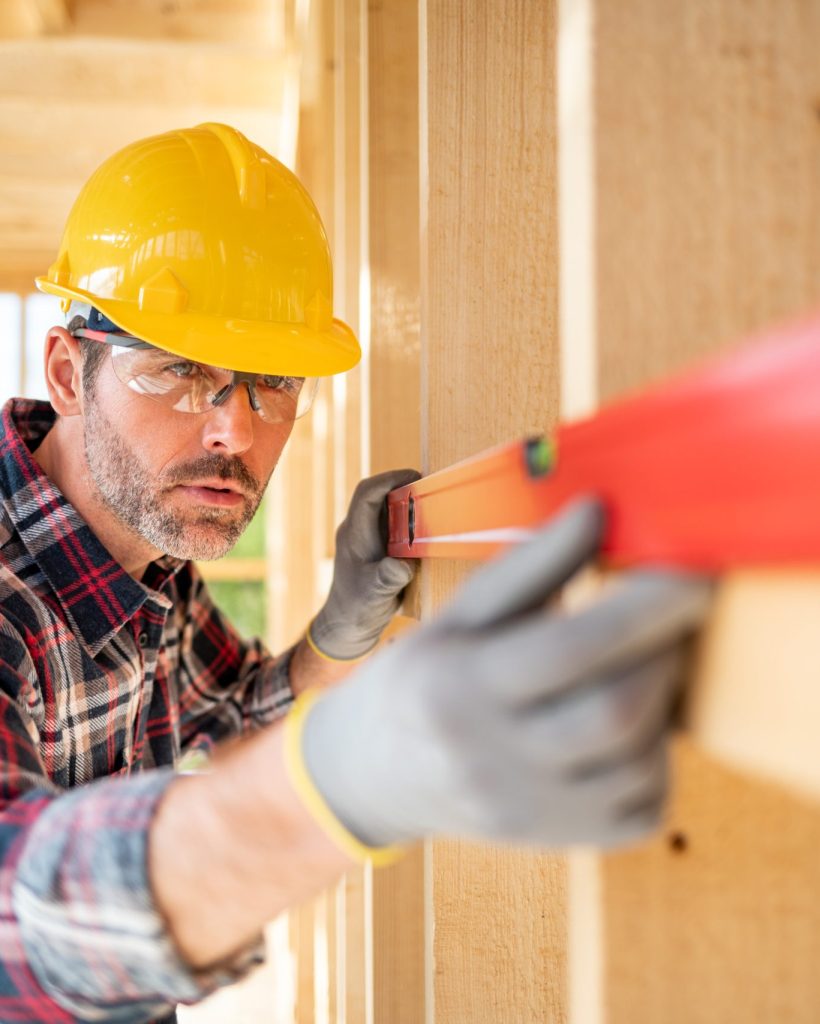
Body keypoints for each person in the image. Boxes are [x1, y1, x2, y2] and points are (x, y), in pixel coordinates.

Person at [0, 124, 710, 1023]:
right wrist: (341, 784)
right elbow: (15, 911)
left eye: (275, 381)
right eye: (179, 371)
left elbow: (229, 717)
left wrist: (340, 633)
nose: (235, 432)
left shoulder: (145, 558)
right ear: (69, 371)